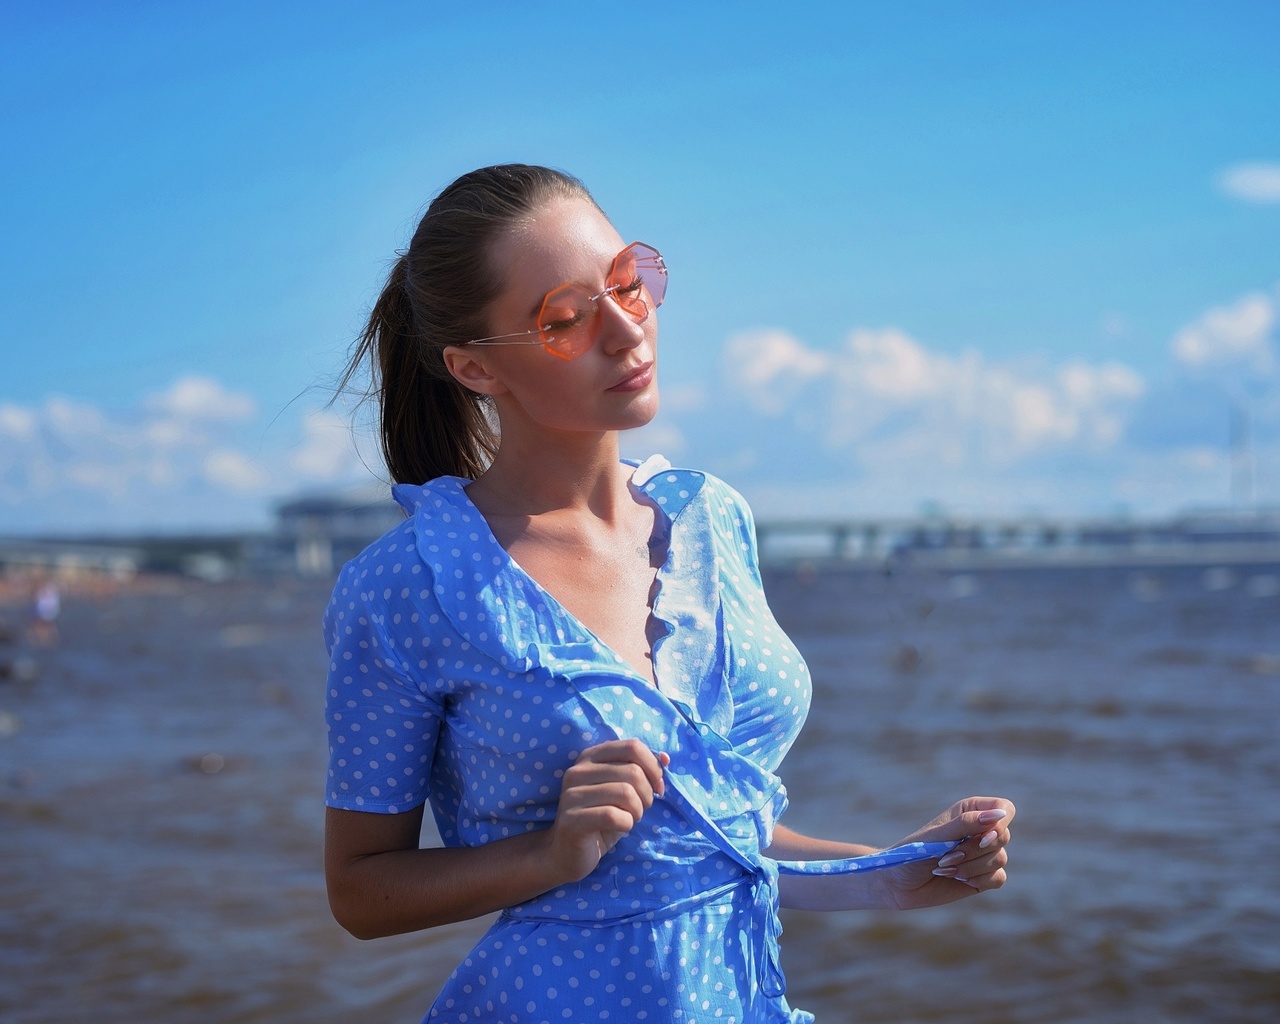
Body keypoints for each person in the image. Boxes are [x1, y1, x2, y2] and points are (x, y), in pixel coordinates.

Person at [323, 164, 1015, 1024]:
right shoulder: (407, 588)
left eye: (629, 284)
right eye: (567, 320)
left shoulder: (712, 520)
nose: (627, 330)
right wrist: (549, 854)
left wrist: (895, 874)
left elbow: (715, 839)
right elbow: (359, 892)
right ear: (473, 368)